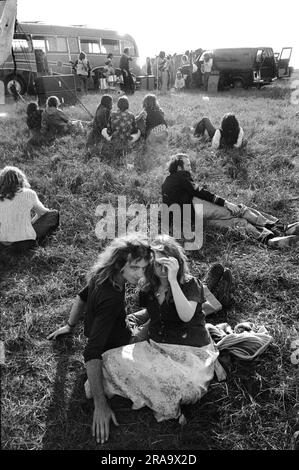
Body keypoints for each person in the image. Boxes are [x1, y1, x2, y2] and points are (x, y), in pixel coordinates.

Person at [161, 154, 299, 248]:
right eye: (188, 165)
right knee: (239, 210)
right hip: (198, 207)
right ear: (179, 168)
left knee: (235, 223)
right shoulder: (181, 176)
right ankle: (280, 227)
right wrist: (226, 203)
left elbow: (167, 208)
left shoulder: (166, 183)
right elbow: (200, 192)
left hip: (193, 219)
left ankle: (267, 239)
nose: (190, 168)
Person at [0, 166, 59, 254]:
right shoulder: (29, 193)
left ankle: (7, 248)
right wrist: (31, 224)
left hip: (3, 242)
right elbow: (43, 213)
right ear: (21, 179)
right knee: (53, 214)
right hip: (25, 243)